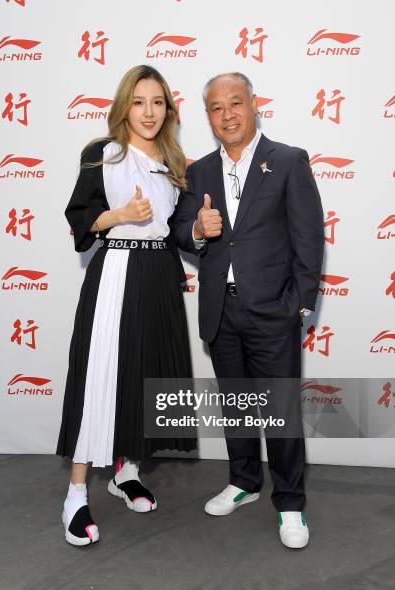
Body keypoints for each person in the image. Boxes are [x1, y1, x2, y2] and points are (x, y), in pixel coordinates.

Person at [171, 72, 324, 549]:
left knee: (280, 413)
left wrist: (296, 306)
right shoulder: (198, 173)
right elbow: (180, 232)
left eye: (235, 103)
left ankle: (290, 502)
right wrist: (197, 228)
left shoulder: (287, 161)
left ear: (255, 104)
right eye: (216, 108)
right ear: (208, 117)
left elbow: (309, 238)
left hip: (272, 313)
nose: (227, 115)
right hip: (222, 311)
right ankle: (243, 482)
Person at [56, 65, 196, 547]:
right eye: (139, 101)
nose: (149, 112)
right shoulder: (104, 154)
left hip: (160, 275)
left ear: (168, 109)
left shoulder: (176, 160)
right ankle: (76, 492)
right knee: (99, 375)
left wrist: (198, 231)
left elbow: (179, 231)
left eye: (158, 102)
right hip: (116, 270)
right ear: (124, 105)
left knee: (147, 374)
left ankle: (126, 470)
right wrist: (118, 215)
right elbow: (79, 216)